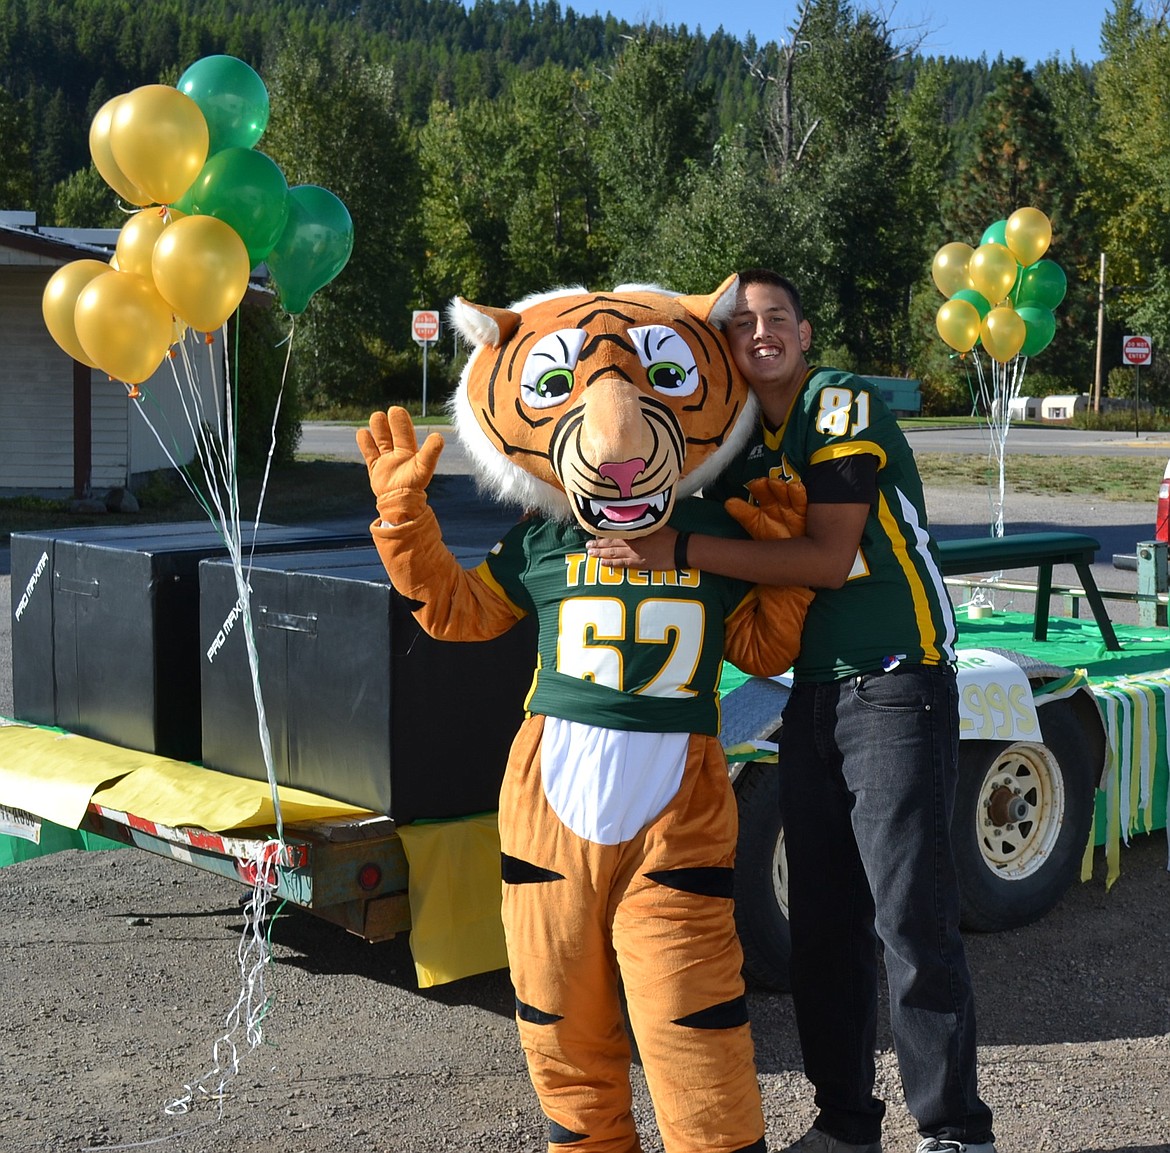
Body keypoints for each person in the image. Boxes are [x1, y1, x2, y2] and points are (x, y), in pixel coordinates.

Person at [587, 268, 998, 1153]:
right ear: (727, 347)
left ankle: (956, 1130)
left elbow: (826, 555)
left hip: (894, 677)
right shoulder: (742, 441)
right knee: (822, 925)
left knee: (909, 917)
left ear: (806, 335)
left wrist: (674, 548)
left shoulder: (836, 402)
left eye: (779, 319)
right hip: (806, 691)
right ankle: (848, 1123)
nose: (762, 332)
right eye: (744, 324)